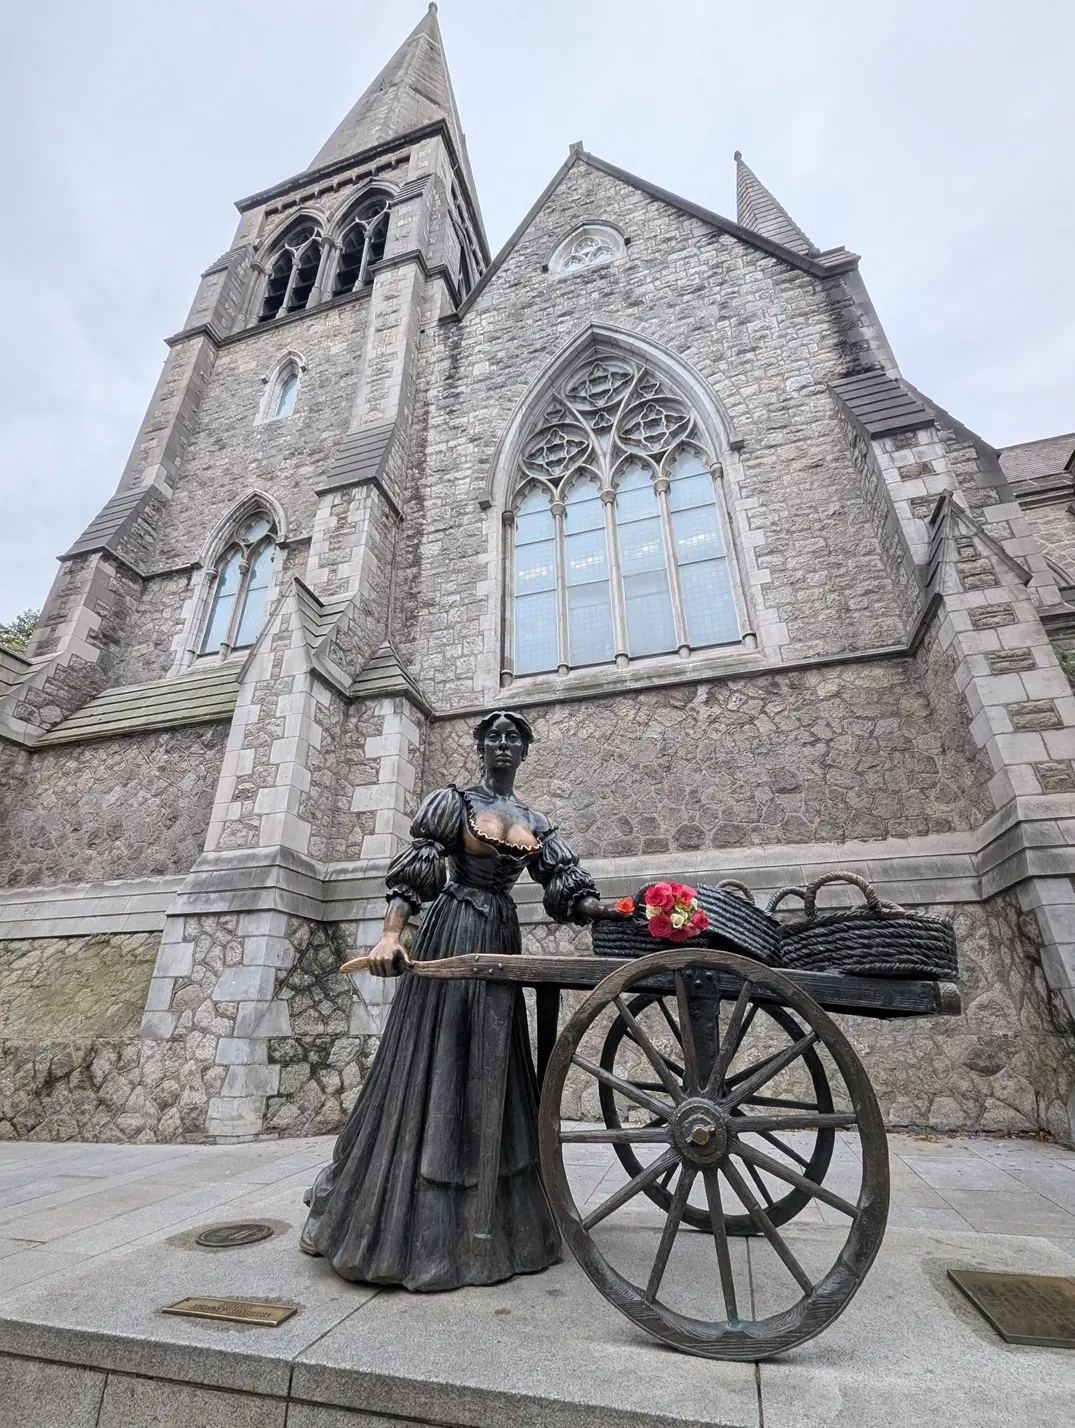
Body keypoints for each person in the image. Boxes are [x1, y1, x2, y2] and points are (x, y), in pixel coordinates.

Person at [299, 709, 624, 1291]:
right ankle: (400, 1215)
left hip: (500, 933)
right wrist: (392, 934)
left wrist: (607, 909)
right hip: (453, 929)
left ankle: (498, 1220)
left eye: (513, 738)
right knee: (440, 1055)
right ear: (480, 747)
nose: (503, 744)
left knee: (494, 1060)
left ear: (524, 751)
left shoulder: (536, 821)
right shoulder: (453, 803)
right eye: (493, 736)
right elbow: (416, 874)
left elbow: (564, 887)